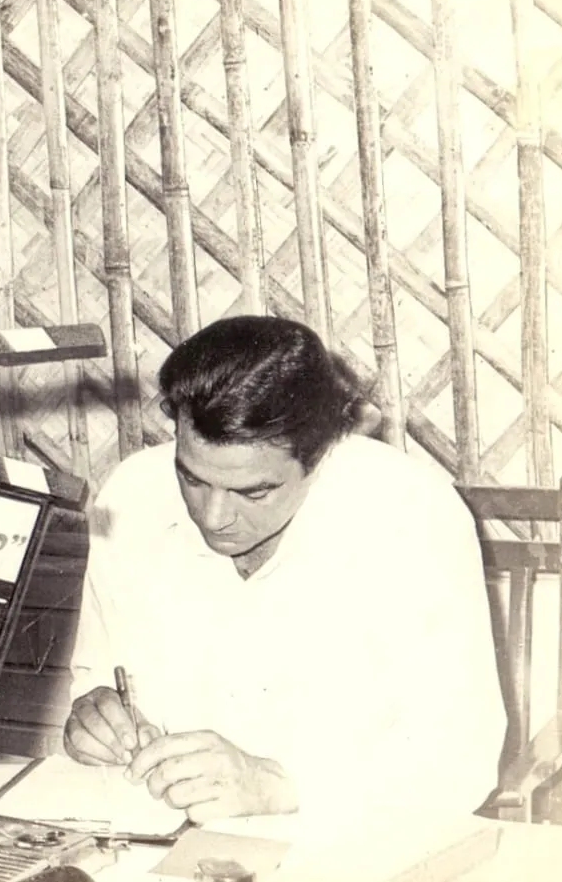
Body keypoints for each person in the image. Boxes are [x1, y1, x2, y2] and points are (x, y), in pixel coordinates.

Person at [64, 316, 506, 828]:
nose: (213, 517)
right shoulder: (132, 496)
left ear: (319, 456)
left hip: (349, 837)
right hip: (163, 840)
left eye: (254, 492)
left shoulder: (407, 513)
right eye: (192, 478)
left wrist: (279, 786)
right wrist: (92, 715)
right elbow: (98, 676)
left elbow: (463, 760)